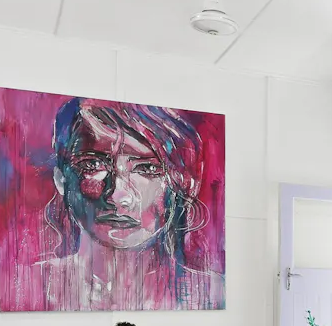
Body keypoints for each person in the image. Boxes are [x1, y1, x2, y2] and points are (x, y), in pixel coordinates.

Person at [32, 98, 224, 311]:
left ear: (185, 184)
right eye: (93, 164)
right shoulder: (34, 284)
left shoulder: (213, 293)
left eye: (147, 169)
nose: (118, 196)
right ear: (61, 179)